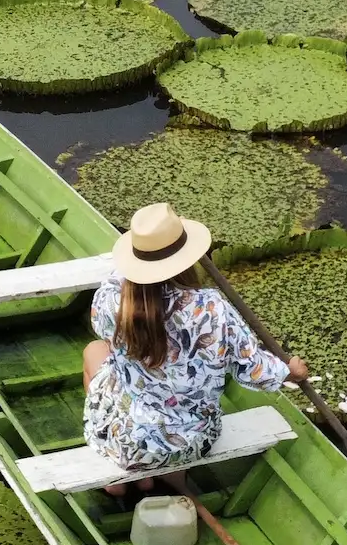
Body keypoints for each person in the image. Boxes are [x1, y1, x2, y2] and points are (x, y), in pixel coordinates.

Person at [80, 202, 307, 497]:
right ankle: (172, 473)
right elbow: (254, 371)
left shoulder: (112, 303)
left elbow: (105, 320)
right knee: (175, 395)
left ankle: (121, 479)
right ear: (186, 260)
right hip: (195, 441)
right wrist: (290, 372)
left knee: (94, 351)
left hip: (128, 442)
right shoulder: (212, 308)